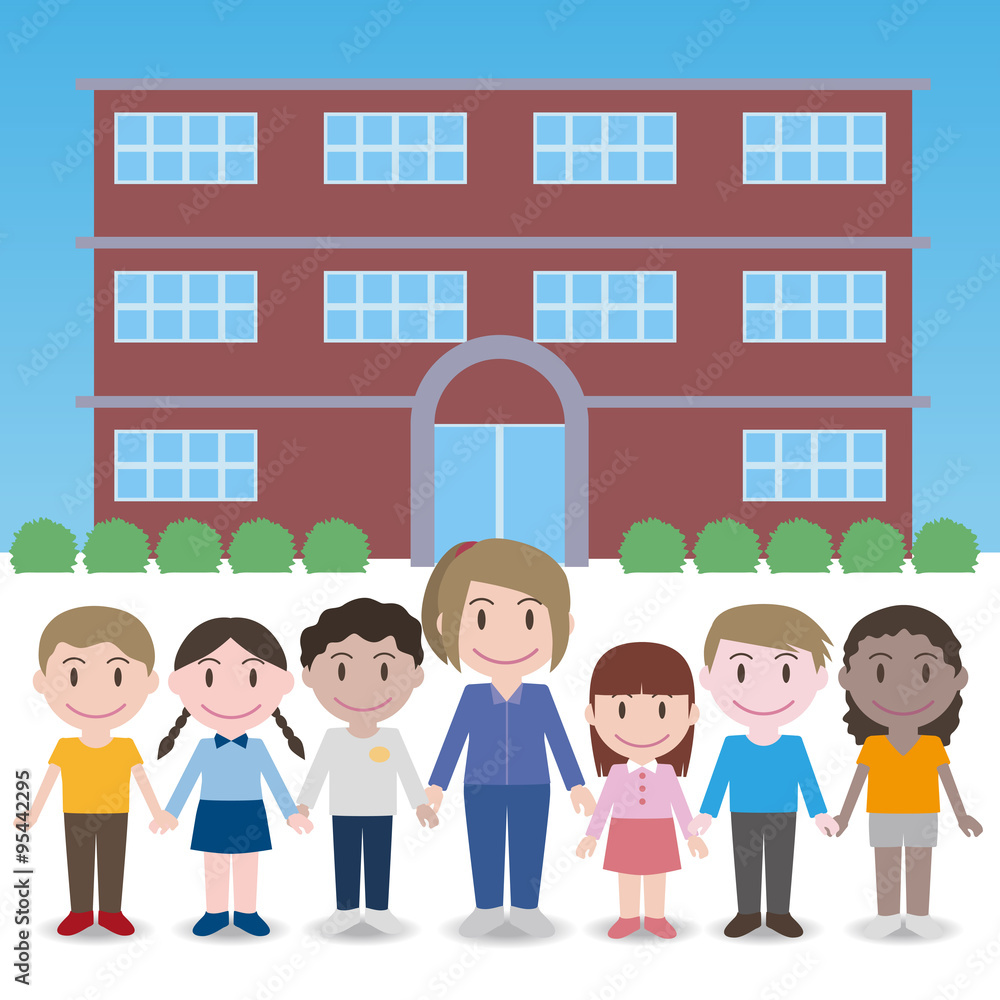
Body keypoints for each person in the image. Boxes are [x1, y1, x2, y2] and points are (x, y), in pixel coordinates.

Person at [423, 539, 595, 938]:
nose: (504, 638)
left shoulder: (540, 697)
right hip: (479, 785)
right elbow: (452, 744)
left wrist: (577, 785)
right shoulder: (471, 697)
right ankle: (486, 907)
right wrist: (436, 785)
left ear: (560, 627)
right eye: (481, 619)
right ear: (448, 625)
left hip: (534, 785)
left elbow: (560, 743)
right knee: (483, 846)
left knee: (528, 847)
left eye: (530, 619)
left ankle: (525, 908)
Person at [152, 618, 313, 936]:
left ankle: (246, 913)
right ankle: (214, 913)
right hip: (211, 811)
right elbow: (187, 783)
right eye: (209, 676)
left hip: (249, 810)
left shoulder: (258, 748)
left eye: (252, 675)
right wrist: (170, 813)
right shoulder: (202, 748)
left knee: (246, 864)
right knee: (213, 866)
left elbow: (275, 782)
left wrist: (291, 814)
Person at [831, 605, 983, 939]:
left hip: (923, 811)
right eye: (880, 672)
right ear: (848, 679)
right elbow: (858, 783)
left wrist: (962, 817)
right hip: (882, 811)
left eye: (926, 672)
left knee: (919, 862)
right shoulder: (874, 744)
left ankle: (918, 915)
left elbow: (948, 783)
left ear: (956, 679)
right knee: (885, 863)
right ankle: (886, 915)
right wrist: (843, 817)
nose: (903, 688)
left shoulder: (931, 746)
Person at [688, 604, 839, 938]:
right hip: (742, 812)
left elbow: (807, 782)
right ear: (709, 677)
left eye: (786, 672)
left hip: (785, 812)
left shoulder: (794, 745)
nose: (763, 688)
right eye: (741, 672)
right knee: (747, 864)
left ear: (817, 678)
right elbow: (718, 783)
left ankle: (779, 913)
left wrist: (820, 815)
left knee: (781, 864)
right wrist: (705, 815)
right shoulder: (732, 746)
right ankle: (747, 913)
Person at [19, 607, 170, 936]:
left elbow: (141, 781)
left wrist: (158, 812)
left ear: (148, 682)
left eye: (118, 676)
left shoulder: (125, 746)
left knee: (113, 863)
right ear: (44, 682)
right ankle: (81, 913)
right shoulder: (66, 747)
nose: (95, 693)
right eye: (73, 676)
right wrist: (32, 814)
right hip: (74, 811)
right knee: (80, 864)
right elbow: (48, 782)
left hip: (117, 811)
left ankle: (112, 913)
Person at [296, 599, 439, 936]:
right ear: (310, 675)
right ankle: (344, 910)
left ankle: (378, 910)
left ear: (414, 675)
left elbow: (406, 774)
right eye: (342, 671)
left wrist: (420, 805)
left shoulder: (392, 739)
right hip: (343, 811)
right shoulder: (333, 739)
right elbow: (317, 774)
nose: (364, 687)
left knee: (378, 861)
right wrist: (303, 805)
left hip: (380, 811)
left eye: (384, 671)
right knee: (345, 862)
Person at [576, 642, 708, 939]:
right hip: (624, 830)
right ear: (593, 714)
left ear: (690, 714)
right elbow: (604, 807)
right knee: (628, 876)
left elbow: (680, 806)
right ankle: (627, 917)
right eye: (621, 708)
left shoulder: (667, 773)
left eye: (663, 708)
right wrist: (591, 836)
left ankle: (656, 918)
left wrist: (692, 837)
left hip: (660, 830)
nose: (642, 724)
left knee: (656, 877)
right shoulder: (617, 773)